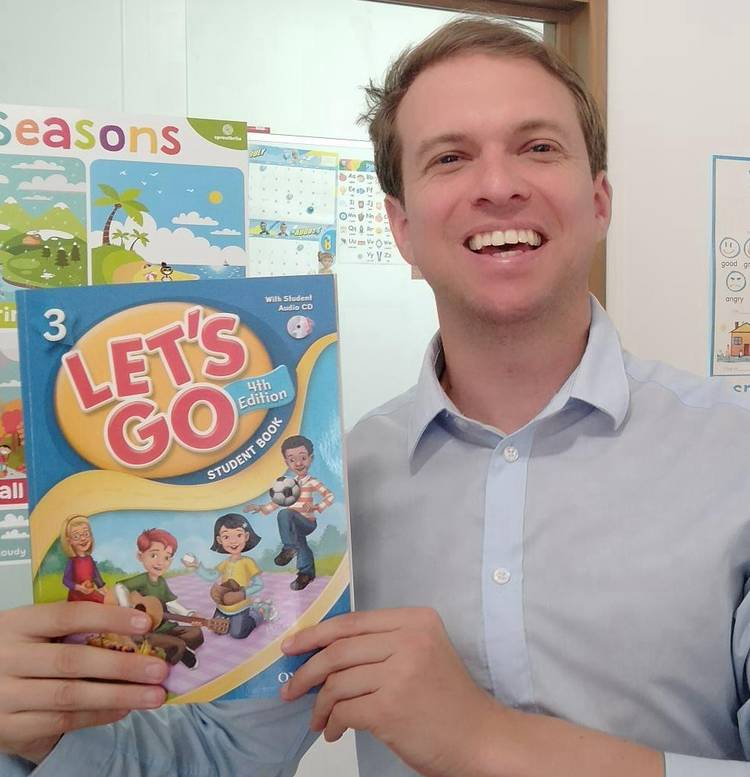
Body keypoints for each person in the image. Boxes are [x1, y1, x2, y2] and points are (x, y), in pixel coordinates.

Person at [2, 16, 750, 777]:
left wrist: (483, 739)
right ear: (402, 228)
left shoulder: (736, 457)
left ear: (599, 201)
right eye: (450, 157)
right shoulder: (343, 482)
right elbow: (221, 753)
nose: (498, 186)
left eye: (538, 147)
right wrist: (36, 732)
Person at [245, 435, 334, 591]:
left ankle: (288, 548)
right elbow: (279, 501)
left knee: (285, 514)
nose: (298, 463)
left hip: (307, 522)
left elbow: (330, 496)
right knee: (300, 542)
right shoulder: (288, 484)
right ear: (287, 462)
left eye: (303, 458)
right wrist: (261, 508)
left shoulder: (312, 481)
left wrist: (316, 507)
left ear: (311, 458)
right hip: (293, 525)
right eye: (292, 460)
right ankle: (306, 574)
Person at [118, 528, 204, 669]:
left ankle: (169, 646)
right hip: (148, 630)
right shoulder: (142, 580)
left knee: (196, 633)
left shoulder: (161, 582)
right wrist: (128, 609)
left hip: (165, 626)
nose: (160, 562)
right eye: (154, 555)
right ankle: (176, 648)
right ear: (140, 556)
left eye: (166, 558)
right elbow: (120, 587)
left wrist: (189, 614)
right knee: (174, 643)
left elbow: (171, 603)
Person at [60, 514, 108, 604]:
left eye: (86, 534)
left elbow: (96, 577)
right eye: (76, 536)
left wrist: (105, 591)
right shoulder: (72, 562)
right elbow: (66, 580)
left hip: (90, 593)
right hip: (76, 596)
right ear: (69, 541)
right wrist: (80, 588)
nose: (83, 538)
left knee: (108, 601)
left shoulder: (90, 559)